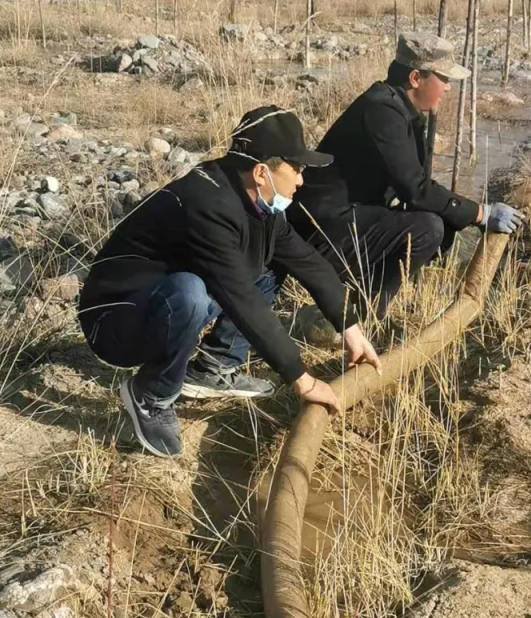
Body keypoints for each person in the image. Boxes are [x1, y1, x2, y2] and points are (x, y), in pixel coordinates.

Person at [78, 106, 381, 458]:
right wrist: (303, 379)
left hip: (161, 302)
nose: (301, 180)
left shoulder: (259, 204)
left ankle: (215, 366)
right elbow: (240, 297)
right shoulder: (207, 204)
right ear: (261, 172)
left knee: (267, 265)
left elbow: (309, 263)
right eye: (296, 168)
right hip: (116, 320)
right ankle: (151, 394)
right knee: (190, 292)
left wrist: (351, 330)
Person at [288, 31, 522, 319]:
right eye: (443, 79)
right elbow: (415, 189)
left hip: (349, 218)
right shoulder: (382, 111)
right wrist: (479, 213)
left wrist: (463, 216)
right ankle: (369, 310)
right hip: (323, 230)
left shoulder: (401, 109)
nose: (448, 88)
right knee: (428, 228)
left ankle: (363, 299)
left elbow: (415, 189)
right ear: (415, 78)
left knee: (443, 229)